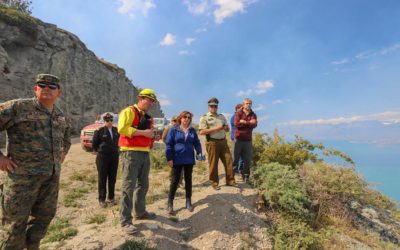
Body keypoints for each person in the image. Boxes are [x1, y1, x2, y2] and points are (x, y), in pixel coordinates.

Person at [0, 74, 71, 249]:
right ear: (35, 89)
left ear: (59, 92)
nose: (46, 88)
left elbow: (67, 137)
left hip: (50, 180)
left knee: (43, 220)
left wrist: (64, 150)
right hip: (21, 180)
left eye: (51, 86)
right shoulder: (18, 107)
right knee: (14, 226)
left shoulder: (60, 115)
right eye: (42, 85)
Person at [118, 88, 159, 235]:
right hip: (130, 153)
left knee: (143, 185)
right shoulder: (129, 111)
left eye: (152, 101)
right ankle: (125, 221)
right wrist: (144, 133)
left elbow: (148, 134)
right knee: (128, 186)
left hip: (144, 153)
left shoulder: (148, 117)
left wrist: (153, 135)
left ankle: (140, 212)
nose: (151, 104)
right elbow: (122, 128)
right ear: (141, 98)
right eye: (149, 100)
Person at [165, 111, 203, 214]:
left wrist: (199, 152)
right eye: (184, 117)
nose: (186, 119)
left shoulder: (192, 130)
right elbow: (168, 145)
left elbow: (197, 142)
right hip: (177, 159)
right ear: (180, 119)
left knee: (188, 180)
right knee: (175, 181)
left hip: (189, 159)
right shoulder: (174, 130)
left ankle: (188, 201)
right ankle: (170, 202)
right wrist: (169, 158)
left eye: (188, 117)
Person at [199, 97, 236, 190]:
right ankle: (214, 182)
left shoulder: (221, 116)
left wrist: (226, 128)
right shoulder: (205, 118)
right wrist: (217, 129)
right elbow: (202, 132)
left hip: (223, 141)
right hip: (212, 142)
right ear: (208, 107)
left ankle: (230, 180)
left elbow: (227, 129)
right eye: (212, 106)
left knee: (229, 161)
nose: (214, 108)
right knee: (213, 163)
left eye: (215, 106)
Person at [92, 113, 119, 208]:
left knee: (113, 178)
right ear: (104, 121)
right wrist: (98, 152)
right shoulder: (99, 131)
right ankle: (102, 199)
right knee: (102, 178)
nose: (109, 122)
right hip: (103, 157)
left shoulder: (116, 130)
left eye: (111, 120)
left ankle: (111, 197)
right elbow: (94, 144)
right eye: (107, 120)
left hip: (114, 157)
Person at [234, 98, 257, 183]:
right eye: (247, 103)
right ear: (243, 104)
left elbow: (254, 124)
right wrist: (249, 123)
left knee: (247, 159)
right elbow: (237, 124)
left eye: (250, 103)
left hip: (248, 140)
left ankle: (246, 177)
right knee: (235, 158)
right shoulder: (238, 113)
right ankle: (231, 176)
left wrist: (244, 122)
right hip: (239, 139)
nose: (248, 105)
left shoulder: (253, 114)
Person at [161, 116, 184, 187]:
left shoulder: (181, 129)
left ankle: (180, 182)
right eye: (174, 121)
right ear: (171, 121)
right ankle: (173, 181)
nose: (175, 122)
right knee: (173, 167)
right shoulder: (168, 129)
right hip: (171, 151)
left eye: (176, 121)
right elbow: (163, 138)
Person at [230, 103, 244, 175]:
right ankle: (234, 171)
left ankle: (240, 171)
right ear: (237, 109)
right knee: (235, 155)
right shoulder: (234, 117)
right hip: (236, 138)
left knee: (242, 155)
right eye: (241, 109)